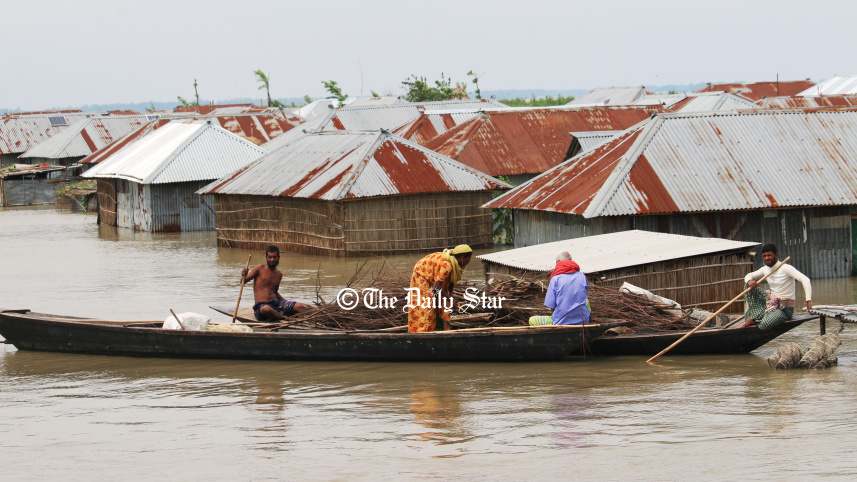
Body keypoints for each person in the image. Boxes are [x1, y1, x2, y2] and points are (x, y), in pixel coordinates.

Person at [740, 244, 812, 330]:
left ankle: (757, 318)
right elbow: (748, 275)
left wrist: (808, 300)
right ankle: (759, 316)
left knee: (764, 325)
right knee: (747, 285)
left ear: (776, 255)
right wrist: (750, 281)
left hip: (784, 309)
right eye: (765, 256)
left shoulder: (785, 268)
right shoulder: (765, 269)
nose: (767, 258)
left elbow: (805, 280)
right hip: (771, 303)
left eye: (769, 255)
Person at [407, 245, 473, 333]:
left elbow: (451, 281)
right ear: (462, 257)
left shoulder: (455, 265)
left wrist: (450, 297)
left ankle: (446, 330)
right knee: (427, 306)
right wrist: (450, 299)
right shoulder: (448, 266)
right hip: (422, 275)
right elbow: (437, 286)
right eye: (468, 258)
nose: (469, 261)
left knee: (445, 301)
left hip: (434, 278)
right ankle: (423, 332)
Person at [241, 245, 310, 321]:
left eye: (274, 257)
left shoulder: (279, 274)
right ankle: (284, 317)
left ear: (278, 257)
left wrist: (286, 302)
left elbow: (275, 292)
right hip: (262, 306)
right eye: (270, 257)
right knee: (267, 309)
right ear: (266, 257)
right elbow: (243, 282)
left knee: (302, 306)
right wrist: (244, 275)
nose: (272, 259)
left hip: (276, 303)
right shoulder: (259, 268)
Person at [530, 251, 591, 326]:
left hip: (561, 322)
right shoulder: (582, 276)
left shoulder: (556, 279)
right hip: (583, 320)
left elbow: (551, 305)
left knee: (532, 320)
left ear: (558, 262)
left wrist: (558, 317)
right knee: (586, 301)